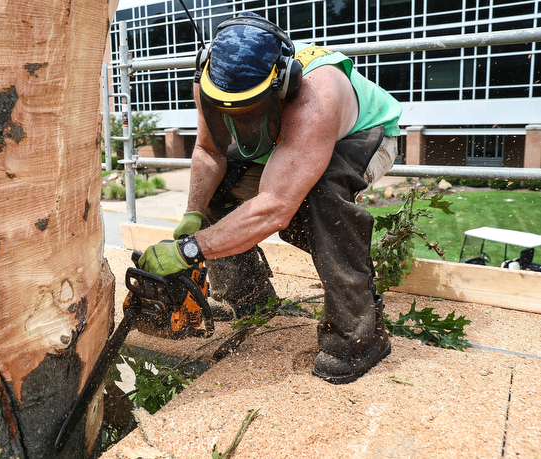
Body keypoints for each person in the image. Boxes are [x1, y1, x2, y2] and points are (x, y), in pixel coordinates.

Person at [138, 12, 402, 384]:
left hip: (361, 136)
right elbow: (209, 151)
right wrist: (193, 216)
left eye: (249, 109)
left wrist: (190, 250)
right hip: (286, 140)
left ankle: (359, 335)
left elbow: (276, 207)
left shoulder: (316, 97)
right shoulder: (208, 83)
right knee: (219, 185)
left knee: (321, 202)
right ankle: (248, 296)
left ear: (283, 86)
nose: (237, 118)